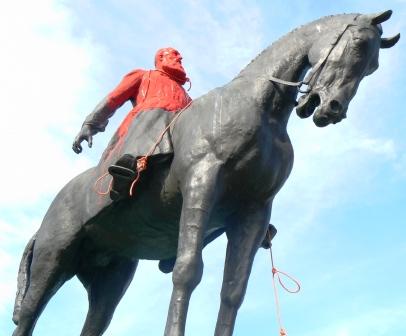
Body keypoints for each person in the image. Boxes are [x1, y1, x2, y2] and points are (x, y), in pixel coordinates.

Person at [72, 47, 192, 199]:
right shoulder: (143, 75)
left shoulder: (187, 98)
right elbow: (113, 99)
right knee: (155, 112)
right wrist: (90, 124)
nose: (179, 58)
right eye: (174, 54)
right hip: (145, 127)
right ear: (161, 58)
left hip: (175, 133)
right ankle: (126, 167)